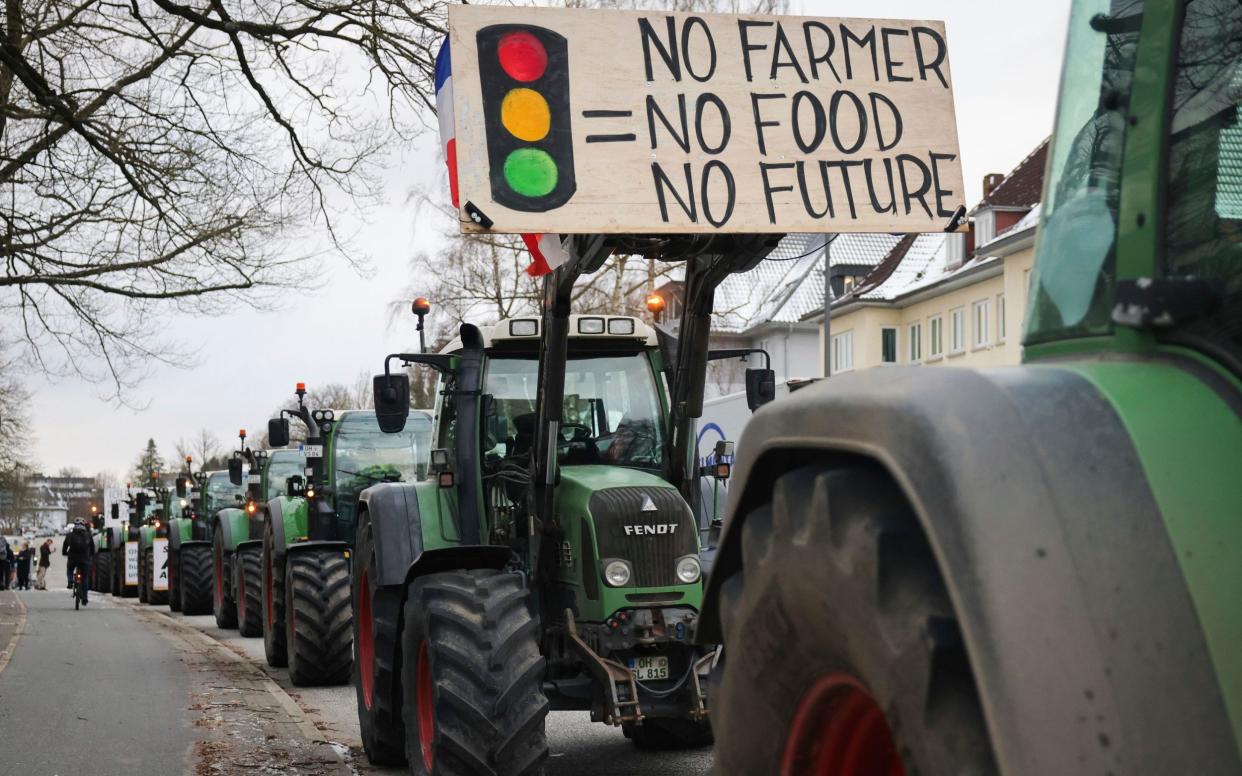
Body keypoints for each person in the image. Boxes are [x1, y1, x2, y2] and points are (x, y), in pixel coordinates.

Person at [62, 520, 95, 604]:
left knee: (70, 569)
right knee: (85, 578)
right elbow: (92, 547)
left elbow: (65, 545)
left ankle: (70, 581)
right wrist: (91, 555)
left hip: (73, 558)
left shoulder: (69, 535)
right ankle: (85, 598)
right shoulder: (88, 535)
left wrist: (64, 553)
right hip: (84, 559)